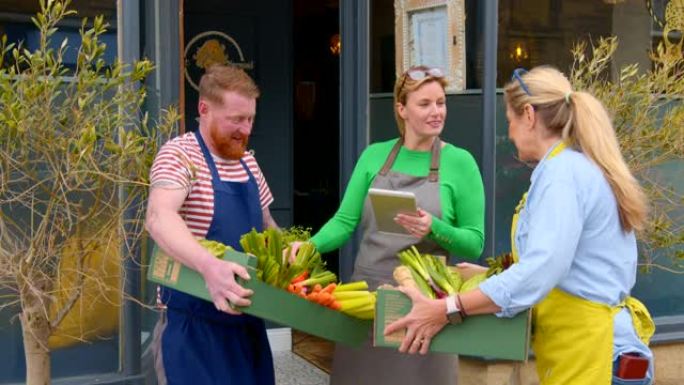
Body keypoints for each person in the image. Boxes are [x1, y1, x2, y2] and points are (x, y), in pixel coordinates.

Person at [385, 66, 656, 385]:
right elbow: (568, 262)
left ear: (529, 115)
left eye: (510, 121)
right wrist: (491, 277)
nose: (510, 133)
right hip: (582, 345)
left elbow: (541, 271)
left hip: (593, 351)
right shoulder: (568, 167)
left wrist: (449, 307)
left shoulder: (562, 176)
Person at [293, 65, 485, 385]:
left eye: (441, 103)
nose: (436, 112)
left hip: (425, 309)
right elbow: (344, 221)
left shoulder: (461, 163)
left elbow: (474, 243)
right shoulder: (374, 156)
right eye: (425, 104)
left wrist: (435, 227)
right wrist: (309, 247)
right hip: (367, 301)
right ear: (401, 109)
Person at [145, 65, 279, 385]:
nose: (245, 130)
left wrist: (291, 257)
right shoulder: (179, 155)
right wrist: (209, 266)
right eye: (236, 119)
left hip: (247, 326)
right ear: (204, 109)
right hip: (193, 329)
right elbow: (159, 216)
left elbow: (267, 225)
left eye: (249, 119)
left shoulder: (248, 161)